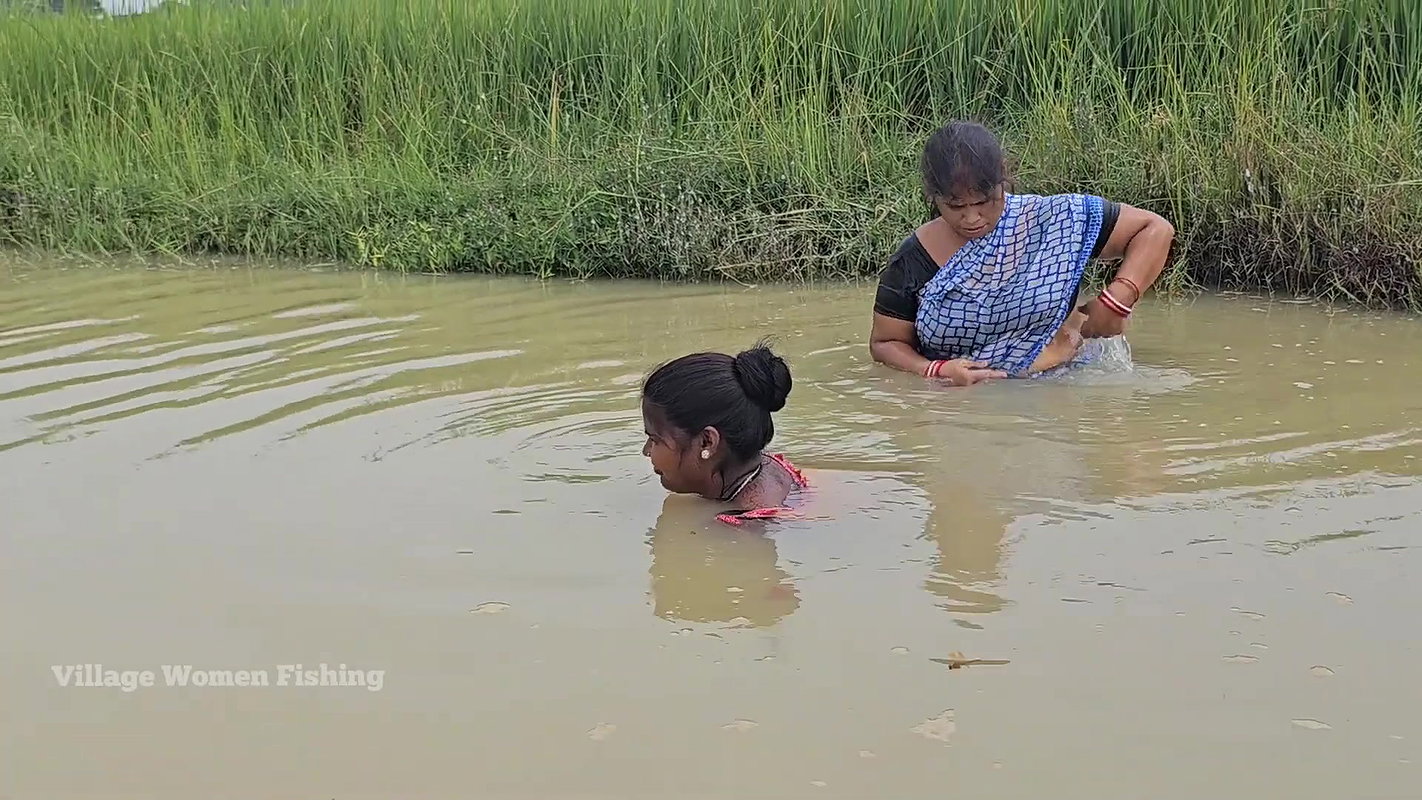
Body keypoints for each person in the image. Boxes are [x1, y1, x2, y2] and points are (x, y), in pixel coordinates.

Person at [870, 120, 1176, 385]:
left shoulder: (1052, 221)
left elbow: (1154, 230)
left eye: (984, 201)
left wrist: (1118, 299)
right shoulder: (913, 260)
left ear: (1003, 179)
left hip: (1066, 386)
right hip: (960, 403)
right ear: (933, 197)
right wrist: (935, 370)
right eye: (956, 206)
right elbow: (885, 343)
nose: (972, 218)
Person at [640, 343, 809, 525]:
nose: (646, 451)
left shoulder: (746, 525)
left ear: (707, 442)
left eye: (654, 440)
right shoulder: (774, 468)